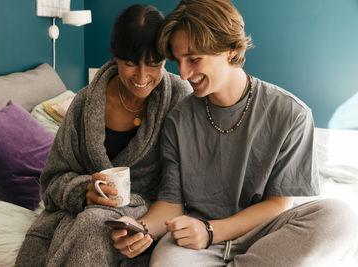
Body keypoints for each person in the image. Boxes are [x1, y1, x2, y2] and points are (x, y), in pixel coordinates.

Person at [109, 0, 358, 266]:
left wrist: (212, 232)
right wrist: (140, 227)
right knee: (164, 262)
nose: (183, 74)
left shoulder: (291, 113)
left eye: (193, 59)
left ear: (229, 49)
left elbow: (279, 205)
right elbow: (171, 204)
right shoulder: (178, 120)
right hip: (196, 238)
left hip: (267, 231)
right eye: (178, 62)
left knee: (340, 218)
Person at [15, 4, 192, 267]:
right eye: (130, 64)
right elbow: (52, 180)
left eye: (154, 64)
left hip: (150, 211)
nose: (142, 76)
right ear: (115, 57)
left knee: (95, 225)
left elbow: (187, 183)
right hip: (87, 210)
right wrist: (84, 192)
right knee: (91, 222)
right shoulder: (86, 103)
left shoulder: (179, 98)